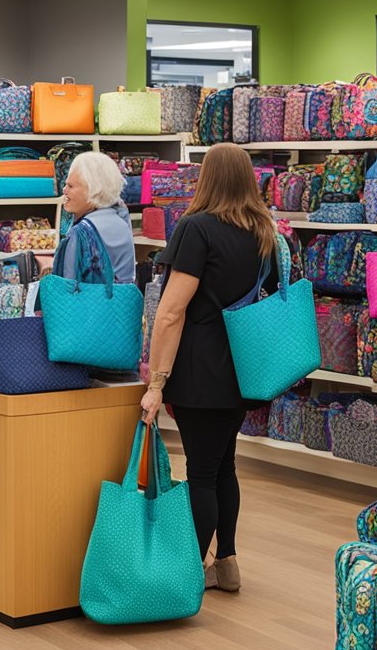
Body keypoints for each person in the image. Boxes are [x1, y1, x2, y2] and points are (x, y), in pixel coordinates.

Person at [139, 143, 279, 594]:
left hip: (200, 367)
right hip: (243, 366)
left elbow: (171, 312)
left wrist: (157, 382)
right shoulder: (265, 234)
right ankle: (228, 562)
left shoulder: (197, 229)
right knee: (223, 466)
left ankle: (190, 571)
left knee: (200, 470)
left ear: (207, 179)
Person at [58, 151, 135, 284]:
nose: (64, 190)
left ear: (92, 189)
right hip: (121, 302)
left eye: (70, 186)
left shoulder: (81, 232)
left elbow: (68, 286)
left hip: (87, 303)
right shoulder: (121, 220)